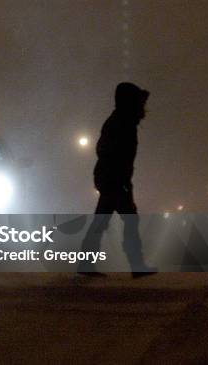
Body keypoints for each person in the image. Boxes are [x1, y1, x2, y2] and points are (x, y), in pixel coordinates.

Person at [78, 82, 156, 278]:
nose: (143, 107)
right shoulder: (120, 123)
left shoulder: (122, 122)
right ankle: (136, 265)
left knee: (104, 220)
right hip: (114, 179)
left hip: (113, 178)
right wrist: (120, 177)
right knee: (127, 219)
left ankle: (87, 263)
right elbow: (107, 151)